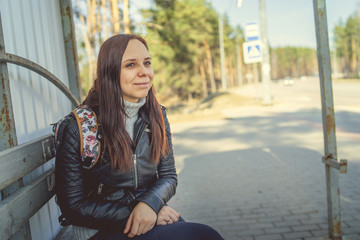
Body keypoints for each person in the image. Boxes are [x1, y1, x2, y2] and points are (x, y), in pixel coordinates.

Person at [55, 34, 224, 240]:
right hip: (100, 230)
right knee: (203, 235)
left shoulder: (156, 115)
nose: (144, 72)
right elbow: (73, 206)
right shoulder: (80, 125)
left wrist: (149, 204)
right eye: (131, 65)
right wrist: (140, 212)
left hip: (146, 215)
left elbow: (169, 176)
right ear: (110, 72)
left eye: (147, 63)